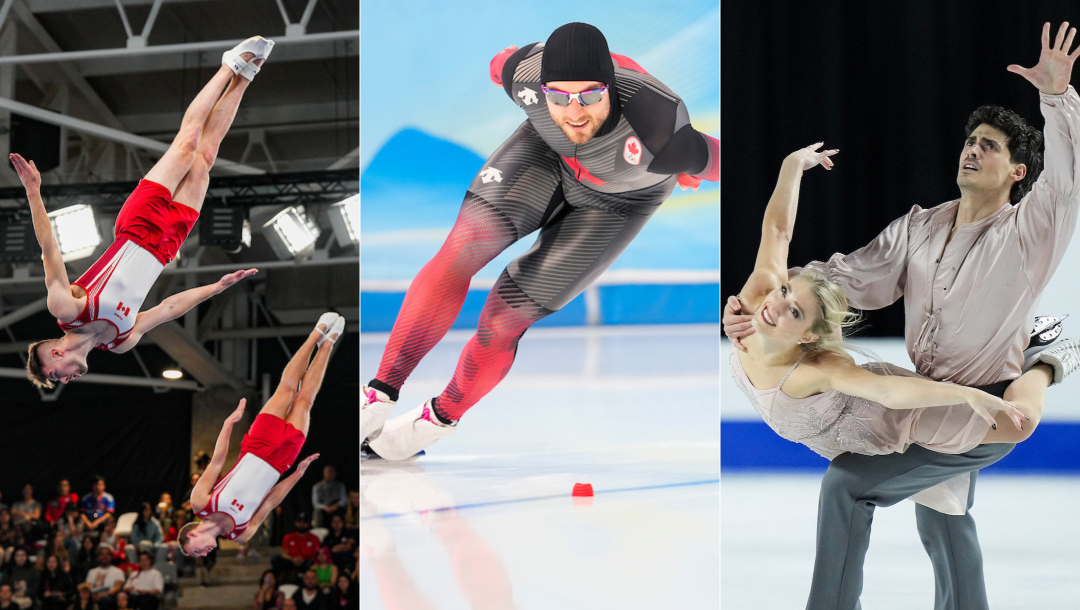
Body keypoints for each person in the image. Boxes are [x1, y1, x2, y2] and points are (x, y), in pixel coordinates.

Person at [724, 21, 1080, 610]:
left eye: (990, 146)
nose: (972, 149)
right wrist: (766, 302)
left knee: (848, 485)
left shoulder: (1029, 233)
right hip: (925, 401)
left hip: (984, 410)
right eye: (971, 141)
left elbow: (1066, 183)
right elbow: (838, 284)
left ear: (1018, 173)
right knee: (942, 520)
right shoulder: (920, 228)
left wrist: (1056, 97)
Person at [362, 21, 719, 460]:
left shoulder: (659, 128)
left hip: (619, 202)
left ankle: (437, 419)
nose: (575, 113)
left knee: (502, 320)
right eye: (560, 97)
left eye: (590, 94)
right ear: (542, 88)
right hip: (544, 157)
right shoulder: (524, 73)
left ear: (611, 86)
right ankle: (378, 393)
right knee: (463, 247)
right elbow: (500, 63)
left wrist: (684, 163)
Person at [729, 142, 1071, 462]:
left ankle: (1045, 362)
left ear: (806, 336)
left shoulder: (817, 371)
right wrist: (792, 165)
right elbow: (777, 231)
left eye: (794, 312)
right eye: (785, 292)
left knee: (1018, 424)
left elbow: (887, 392)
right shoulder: (756, 298)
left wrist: (967, 395)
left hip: (885, 420)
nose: (775, 305)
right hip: (844, 423)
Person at [13, 35, 276, 387]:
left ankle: (228, 64)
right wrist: (215, 287)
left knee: (187, 145)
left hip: (136, 228)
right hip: (166, 246)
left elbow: (50, 250)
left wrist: (34, 192)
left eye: (54, 377)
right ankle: (245, 76)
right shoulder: (121, 342)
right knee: (206, 158)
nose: (64, 381)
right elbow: (168, 309)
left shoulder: (66, 310)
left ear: (54, 355)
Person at [177, 313, 343, 557]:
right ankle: (329, 342)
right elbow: (270, 501)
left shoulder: (200, 502)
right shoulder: (242, 533)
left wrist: (228, 423)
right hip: (280, 462)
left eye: (195, 552)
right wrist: (298, 473)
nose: (202, 554)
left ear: (192, 535)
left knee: (287, 389)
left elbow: (218, 460)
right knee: (305, 400)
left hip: (256, 445)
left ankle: (316, 334)